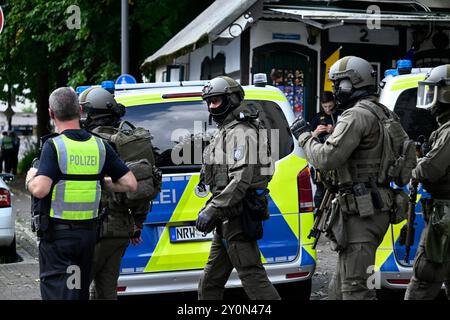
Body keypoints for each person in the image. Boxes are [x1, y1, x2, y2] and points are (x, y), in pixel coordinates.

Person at [290, 56, 413, 300]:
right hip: (374, 208)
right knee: (339, 290)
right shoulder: (383, 113)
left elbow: (326, 158)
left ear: (354, 83)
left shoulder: (355, 116)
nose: (336, 90)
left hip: (362, 214)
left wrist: (304, 137)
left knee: (356, 290)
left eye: (340, 84)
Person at [25, 87, 137, 300]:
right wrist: (97, 181)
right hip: (87, 237)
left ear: (51, 113)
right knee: (76, 291)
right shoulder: (99, 145)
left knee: (60, 293)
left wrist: (31, 177)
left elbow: (41, 189)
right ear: (79, 110)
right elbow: (130, 183)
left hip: (59, 240)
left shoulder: (54, 146)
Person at [196, 76, 280, 300]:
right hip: (227, 217)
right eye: (209, 101)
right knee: (210, 281)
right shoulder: (227, 129)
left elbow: (240, 180)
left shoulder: (242, 132)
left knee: (252, 276)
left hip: (238, 216)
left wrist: (212, 209)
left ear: (231, 99)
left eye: (216, 100)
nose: (212, 106)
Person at [79, 87, 160, 300]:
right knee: (107, 292)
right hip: (121, 231)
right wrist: (137, 225)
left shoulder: (86, 144)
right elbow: (142, 188)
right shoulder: (127, 142)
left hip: (94, 231)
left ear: (89, 114)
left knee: (73, 291)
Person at [405, 64, 450, 300]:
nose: (429, 99)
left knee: (425, 279)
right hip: (443, 214)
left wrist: (414, 164)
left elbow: (429, 170)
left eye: (433, 91)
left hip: (445, 217)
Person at [309, 91, 341, 210]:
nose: (327, 109)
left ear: (334, 103)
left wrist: (334, 130)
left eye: (330, 106)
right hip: (321, 160)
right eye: (325, 107)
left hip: (337, 158)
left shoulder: (341, 116)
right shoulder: (317, 117)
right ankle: (319, 211)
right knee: (320, 191)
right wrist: (316, 132)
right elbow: (309, 137)